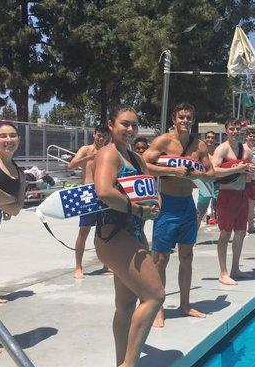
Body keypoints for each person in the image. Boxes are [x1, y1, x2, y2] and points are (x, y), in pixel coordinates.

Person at [93, 106, 163, 367]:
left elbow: (149, 188)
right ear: (111, 125)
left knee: (126, 304)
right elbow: (104, 191)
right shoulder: (108, 154)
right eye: (125, 124)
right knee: (155, 296)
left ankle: (120, 361)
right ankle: (129, 364)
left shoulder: (136, 158)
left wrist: (155, 204)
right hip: (114, 236)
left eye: (134, 125)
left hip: (134, 234)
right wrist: (138, 210)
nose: (131, 130)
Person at [143, 103, 214, 326]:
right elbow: (144, 164)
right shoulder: (163, 141)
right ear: (174, 119)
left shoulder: (199, 145)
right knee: (160, 260)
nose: (185, 121)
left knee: (187, 257)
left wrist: (199, 173)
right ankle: (158, 308)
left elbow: (210, 172)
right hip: (167, 207)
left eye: (189, 118)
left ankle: (185, 305)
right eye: (181, 117)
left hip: (187, 206)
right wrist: (172, 171)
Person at [211, 119, 255, 285]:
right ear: (226, 130)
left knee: (240, 232)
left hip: (242, 194)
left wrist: (252, 172)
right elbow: (214, 171)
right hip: (227, 195)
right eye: (232, 129)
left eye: (237, 129)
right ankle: (223, 272)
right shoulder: (222, 149)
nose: (235, 132)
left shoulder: (246, 150)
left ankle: (235, 268)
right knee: (225, 233)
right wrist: (237, 169)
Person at [68, 124, 110, 279]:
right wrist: (88, 158)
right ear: (94, 134)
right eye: (99, 135)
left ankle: (107, 264)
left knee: (105, 230)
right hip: (88, 193)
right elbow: (70, 166)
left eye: (105, 136)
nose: (101, 138)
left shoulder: (108, 152)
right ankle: (78, 267)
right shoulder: (85, 149)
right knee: (84, 231)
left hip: (104, 192)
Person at [0, 121, 26, 306]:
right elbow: (14, 202)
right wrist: (10, 199)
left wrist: (3, 200)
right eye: (2, 136)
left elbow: (17, 209)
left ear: (19, 139)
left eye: (12, 135)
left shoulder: (20, 173)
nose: (8, 139)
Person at [196, 131, 218, 227]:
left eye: (212, 137)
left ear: (215, 139)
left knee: (221, 212)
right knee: (200, 213)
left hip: (217, 185)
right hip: (205, 185)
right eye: (208, 137)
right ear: (205, 139)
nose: (210, 139)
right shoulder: (201, 153)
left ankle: (222, 240)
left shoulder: (218, 152)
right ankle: (193, 238)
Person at [243, 127, 255, 233]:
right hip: (243, 181)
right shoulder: (242, 148)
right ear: (246, 137)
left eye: (254, 136)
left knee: (252, 204)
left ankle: (251, 226)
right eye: (250, 136)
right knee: (242, 205)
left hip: (253, 180)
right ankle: (242, 225)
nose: (252, 138)